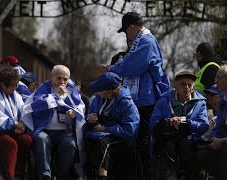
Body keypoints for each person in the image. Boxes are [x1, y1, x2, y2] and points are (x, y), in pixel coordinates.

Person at [100, 11, 169, 178]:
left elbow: (133, 66)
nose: (126, 35)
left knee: (142, 143)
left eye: (125, 31)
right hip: (139, 99)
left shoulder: (146, 41)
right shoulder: (142, 41)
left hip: (146, 100)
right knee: (136, 142)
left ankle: (144, 176)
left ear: (131, 27)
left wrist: (112, 68)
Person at [21, 65, 86, 180]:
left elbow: (80, 108)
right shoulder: (44, 88)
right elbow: (33, 105)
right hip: (44, 130)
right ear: (52, 77)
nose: (62, 82)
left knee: (70, 144)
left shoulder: (72, 90)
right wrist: (55, 95)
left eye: (65, 79)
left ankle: (63, 176)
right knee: (41, 139)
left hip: (63, 133)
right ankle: (45, 176)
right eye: (59, 78)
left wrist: (73, 113)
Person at [149, 71, 209, 180]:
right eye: (183, 84)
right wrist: (168, 121)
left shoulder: (200, 102)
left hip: (190, 138)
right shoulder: (164, 100)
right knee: (168, 146)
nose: (186, 87)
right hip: (167, 137)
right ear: (176, 86)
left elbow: (204, 127)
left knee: (186, 144)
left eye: (189, 85)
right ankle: (170, 177)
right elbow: (153, 123)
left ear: (193, 87)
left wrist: (187, 121)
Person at [84, 72, 139, 180]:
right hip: (100, 133)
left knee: (102, 143)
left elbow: (130, 129)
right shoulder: (98, 98)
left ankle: (102, 176)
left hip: (122, 138)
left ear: (109, 92)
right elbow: (91, 114)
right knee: (87, 140)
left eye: (99, 90)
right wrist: (90, 119)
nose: (97, 92)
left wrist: (106, 128)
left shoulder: (127, 103)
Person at [196, 65, 227, 179]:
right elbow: (219, 127)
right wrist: (208, 141)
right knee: (201, 155)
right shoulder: (223, 101)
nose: (215, 81)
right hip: (222, 142)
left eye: (219, 78)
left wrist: (222, 142)